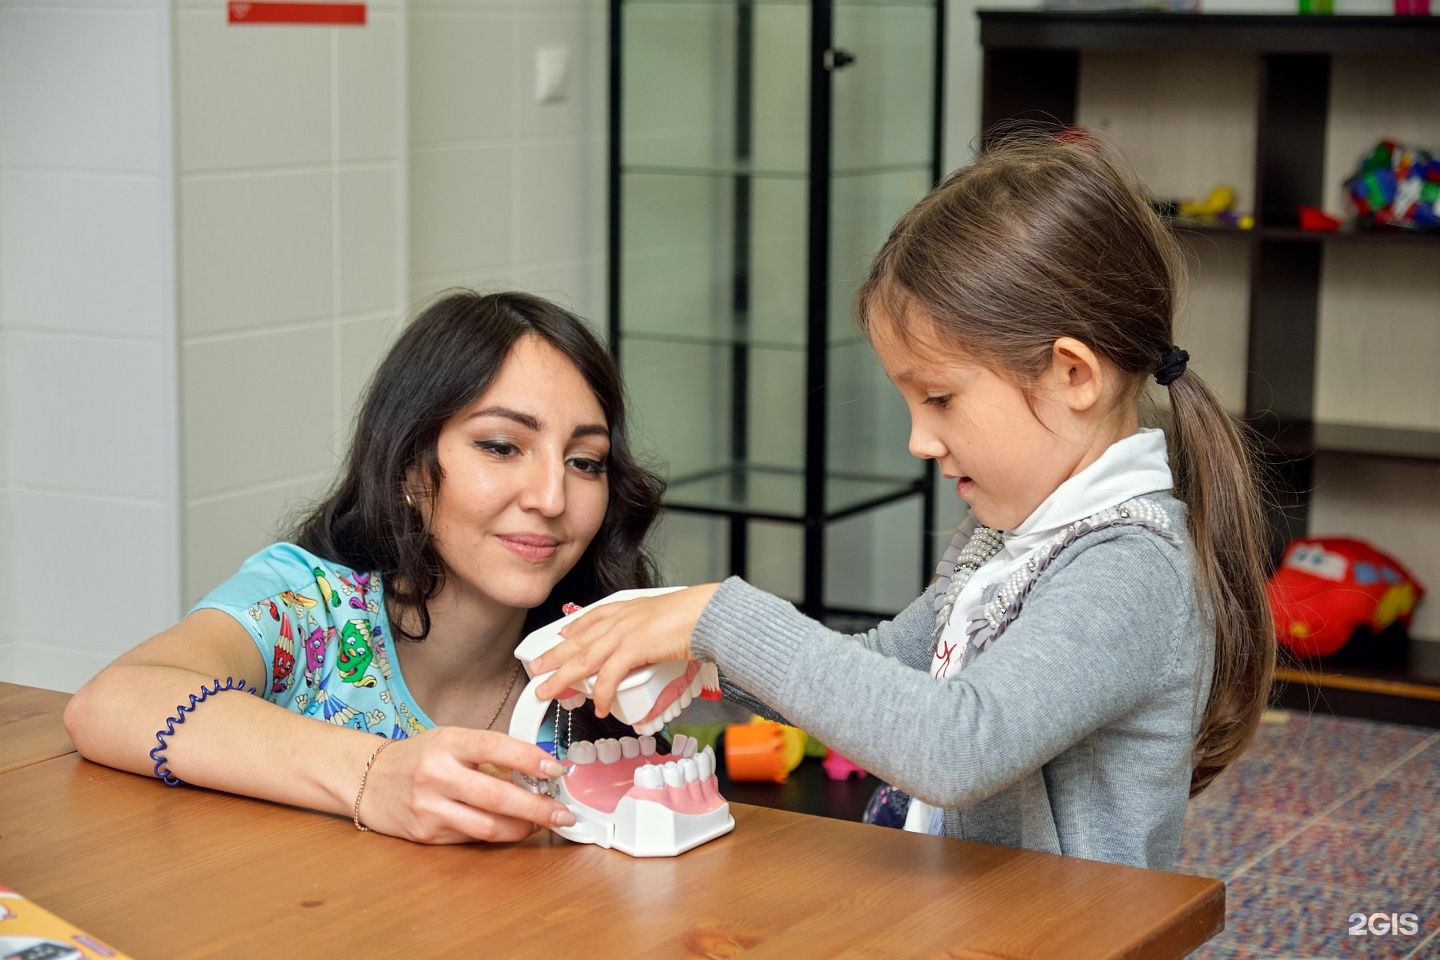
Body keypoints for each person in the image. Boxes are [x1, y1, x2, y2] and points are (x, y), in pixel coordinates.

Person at [532, 135, 1277, 869]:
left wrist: (720, 619)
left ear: (1073, 375)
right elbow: (895, 667)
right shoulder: (1009, 536)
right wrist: (696, 651)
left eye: (941, 398)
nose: (920, 440)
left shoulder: (1129, 568)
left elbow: (957, 746)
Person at [64, 290, 666, 845]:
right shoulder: (309, 609)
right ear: (408, 464)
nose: (552, 498)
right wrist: (374, 776)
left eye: (585, 462)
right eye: (502, 447)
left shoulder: (600, 667)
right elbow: (111, 702)